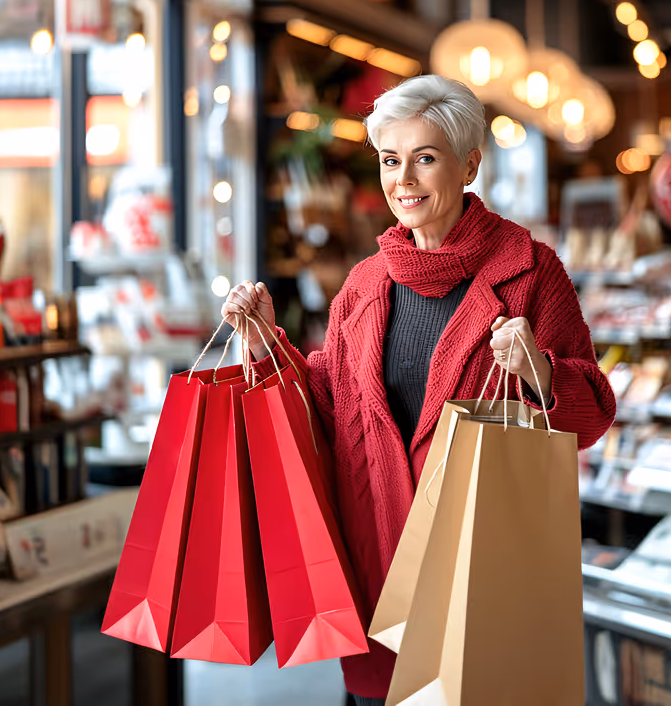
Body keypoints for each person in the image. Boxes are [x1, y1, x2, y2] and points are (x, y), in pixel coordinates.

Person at [223, 74, 615, 705]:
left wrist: (540, 372)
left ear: (468, 165)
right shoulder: (364, 284)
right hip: (379, 576)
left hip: (481, 578)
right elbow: (325, 404)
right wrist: (267, 342)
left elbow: (594, 411)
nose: (402, 180)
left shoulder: (530, 273)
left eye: (424, 159)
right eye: (389, 160)